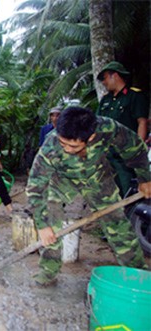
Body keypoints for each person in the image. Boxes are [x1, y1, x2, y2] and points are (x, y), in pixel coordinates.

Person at [26, 106, 150, 286]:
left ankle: (137, 273)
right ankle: (48, 271)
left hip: (98, 179)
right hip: (62, 180)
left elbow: (135, 147)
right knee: (50, 226)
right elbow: (35, 187)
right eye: (63, 143)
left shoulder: (107, 128)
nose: (66, 149)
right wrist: (42, 225)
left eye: (73, 145)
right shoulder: (50, 146)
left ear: (90, 137)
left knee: (118, 225)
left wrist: (145, 178)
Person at [96, 61, 149, 196]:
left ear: (115, 76)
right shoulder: (105, 100)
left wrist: (138, 151)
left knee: (128, 189)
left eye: (105, 78)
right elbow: (98, 125)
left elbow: (142, 123)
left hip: (126, 152)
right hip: (108, 154)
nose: (103, 82)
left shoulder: (134, 96)